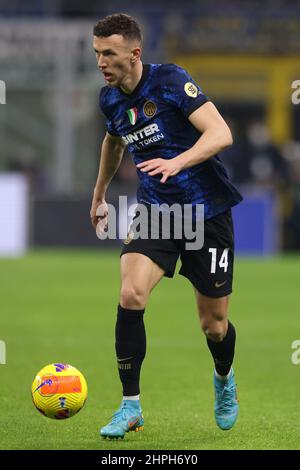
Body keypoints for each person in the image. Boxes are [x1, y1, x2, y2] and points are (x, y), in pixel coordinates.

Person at [90, 13, 242, 440]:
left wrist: (176, 161)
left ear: (134, 54)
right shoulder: (110, 99)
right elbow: (113, 141)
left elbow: (220, 133)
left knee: (214, 325)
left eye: (109, 54)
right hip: (156, 212)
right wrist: (99, 194)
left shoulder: (171, 81)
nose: (101, 61)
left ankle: (224, 377)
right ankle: (130, 406)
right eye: (97, 53)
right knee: (131, 293)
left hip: (206, 212)